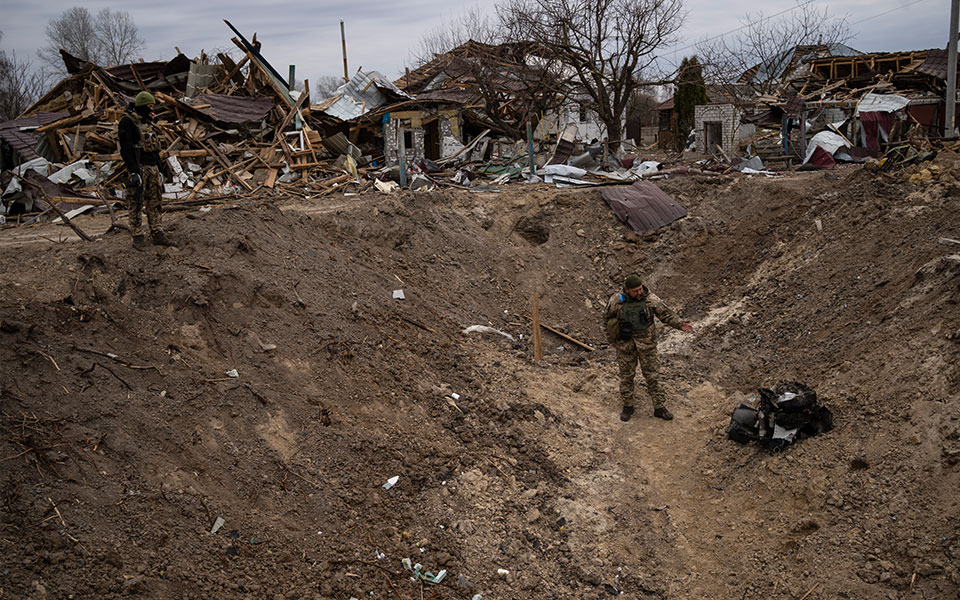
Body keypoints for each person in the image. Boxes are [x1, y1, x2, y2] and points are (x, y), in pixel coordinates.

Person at [604, 274, 694, 422]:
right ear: (627, 290)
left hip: (647, 344)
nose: (639, 293)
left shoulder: (650, 299)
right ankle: (628, 406)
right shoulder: (616, 301)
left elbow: (666, 314)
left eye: (640, 289)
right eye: (635, 291)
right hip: (625, 345)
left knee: (653, 376)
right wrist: (611, 339)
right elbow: (606, 319)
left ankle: (659, 407)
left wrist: (680, 324)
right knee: (626, 377)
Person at [118, 91, 172, 247]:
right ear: (142, 106)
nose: (152, 109)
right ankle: (137, 236)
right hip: (139, 168)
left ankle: (157, 232)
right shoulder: (127, 122)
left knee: (155, 201)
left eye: (153, 106)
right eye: (149, 106)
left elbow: (154, 148)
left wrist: (160, 169)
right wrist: (133, 171)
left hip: (153, 167)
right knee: (136, 202)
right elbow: (126, 149)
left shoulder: (147, 122)